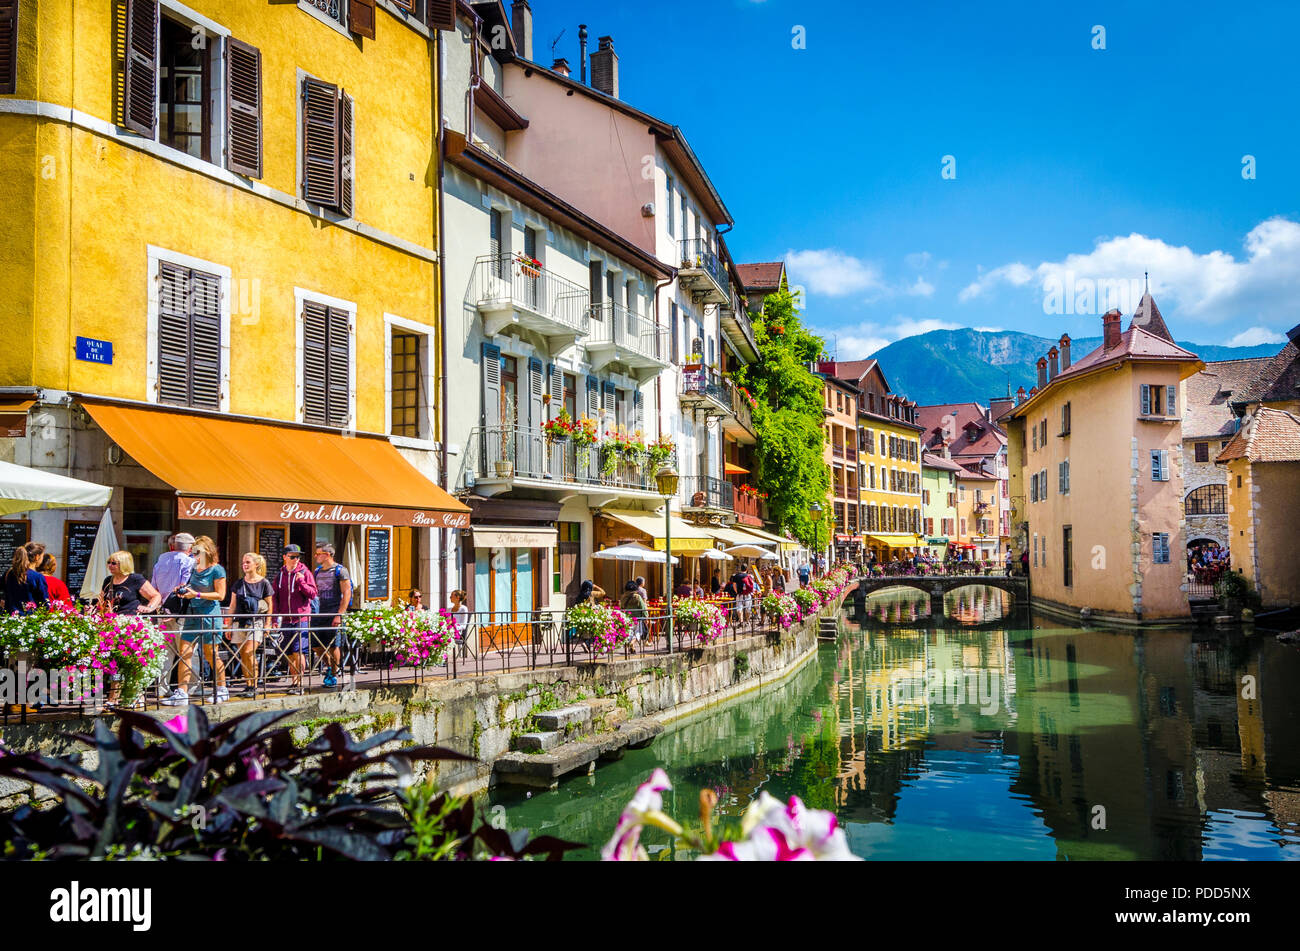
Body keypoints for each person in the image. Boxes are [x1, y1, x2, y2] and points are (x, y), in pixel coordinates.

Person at [163, 536, 226, 705]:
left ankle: (222, 688)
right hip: (191, 613)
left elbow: (221, 595)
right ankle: (182, 693)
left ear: (208, 552)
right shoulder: (193, 568)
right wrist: (182, 590)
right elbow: (191, 587)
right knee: (185, 653)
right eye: (193, 551)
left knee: (211, 654)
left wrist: (197, 594)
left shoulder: (217, 570)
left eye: (198, 551)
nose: (194, 554)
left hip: (209, 615)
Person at [227, 552, 274, 698]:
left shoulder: (264, 583)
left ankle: (254, 684)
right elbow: (232, 605)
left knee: (249, 652)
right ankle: (248, 684)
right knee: (243, 655)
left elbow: (269, 605)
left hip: (256, 622)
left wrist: (268, 623)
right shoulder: (239, 583)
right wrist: (228, 625)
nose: (245, 565)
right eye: (243, 562)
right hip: (239, 622)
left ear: (256, 564)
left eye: (248, 562)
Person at [272, 545, 317, 693]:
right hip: (285, 619)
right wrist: (274, 619)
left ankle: (299, 684)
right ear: (285, 557)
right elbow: (275, 599)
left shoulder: (305, 572)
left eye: (298, 557)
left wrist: (301, 582)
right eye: (292, 557)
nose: (296, 560)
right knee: (289, 652)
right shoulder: (279, 576)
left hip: (301, 618)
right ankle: (294, 681)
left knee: (299, 651)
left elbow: (313, 593)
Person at [312, 543, 352, 688]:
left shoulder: (340, 571)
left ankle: (333, 675)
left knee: (334, 644)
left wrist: (339, 614)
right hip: (319, 612)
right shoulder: (317, 571)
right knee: (315, 644)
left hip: (333, 610)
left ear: (327, 555)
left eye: (318, 554)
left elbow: (347, 593)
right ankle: (328, 664)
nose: (315, 556)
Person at [99, 550, 161, 616]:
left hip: (130, 621)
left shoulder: (135, 579)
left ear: (124, 564)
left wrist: (149, 608)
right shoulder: (108, 580)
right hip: (110, 620)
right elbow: (101, 600)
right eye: (108, 562)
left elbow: (156, 596)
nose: (110, 565)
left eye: (114, 563)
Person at [4, 547, 49, 615]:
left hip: (10, 619)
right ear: (37, 557)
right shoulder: (37, 577)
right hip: (30, 619)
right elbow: (44, 601)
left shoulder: (8, 573)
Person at [619, 580, 648, 651]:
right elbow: (643, 608)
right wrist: (646, 617)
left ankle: (630, 647)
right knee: (638, 632)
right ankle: (632, 643)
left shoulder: (623, 597)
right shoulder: (637, 597)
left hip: (627, 618)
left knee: (629, 633)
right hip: (637, 618)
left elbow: (621, 608)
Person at [448, 589, 469, 656]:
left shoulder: (463, 609)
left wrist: (454, 627)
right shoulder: (449, 609)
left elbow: (464, 625)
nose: (450, 597)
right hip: (449, 630)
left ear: (457, 597)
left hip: (458, 632)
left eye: (452, 596)